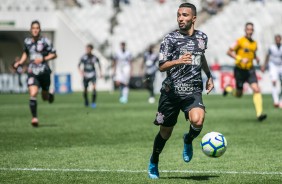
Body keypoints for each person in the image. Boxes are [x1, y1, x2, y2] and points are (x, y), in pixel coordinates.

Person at [148, 3, 214, 179]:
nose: (180, 18)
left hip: (192, 91)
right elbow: (161, 66)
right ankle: (154, 160)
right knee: (165, 133)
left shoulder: (202, 38)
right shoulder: (170, 39)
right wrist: (178, 61)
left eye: (184, 15)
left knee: (198, 120)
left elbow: (201, 57)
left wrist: (209, 76)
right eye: (178, 15)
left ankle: (188, 139)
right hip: (171, 93)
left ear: (193, 18)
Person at [14, 20, 57, 127]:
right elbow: (25, 53)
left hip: (44, 72)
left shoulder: (46, 41)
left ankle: (50, 95)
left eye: (37, 28)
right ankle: (34, 118)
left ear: (40, 30)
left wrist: (43, 58)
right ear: (30, 30)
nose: (35, 30)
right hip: (32, 72)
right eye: (33, 28)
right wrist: (20, 62)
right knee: (33, 93)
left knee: (44, 97)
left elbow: (54, 54)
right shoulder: (27, 41)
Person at [224, 22, 267, 121]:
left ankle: (259, 114)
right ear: (245, 30)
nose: (250, 31)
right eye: (248, 29)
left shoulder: (254, 43)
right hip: (239, 70)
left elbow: (253, 52)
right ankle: (228, 89)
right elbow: (228, 52)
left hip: (250, 70)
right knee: (239, 94)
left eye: (251, 29)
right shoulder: (239, 41)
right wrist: (240, 59)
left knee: (256, 89)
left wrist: (256, 58)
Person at [78, 44, 102, 108]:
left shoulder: (94, 57)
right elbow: (78, 65)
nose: (87, 50)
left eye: (88, 49)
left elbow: (99, 65)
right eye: (86, 49)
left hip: (93, 74)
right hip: (86, 75)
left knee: (94, 88)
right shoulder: (83, 57)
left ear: (91, 49)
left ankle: (93, 102)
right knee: (85, 89)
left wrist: (100, 73)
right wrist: (81, 72)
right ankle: (86, 100)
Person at [261, 34, 282, 108]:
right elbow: (267, 56)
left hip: (281, 65)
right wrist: (264, 65)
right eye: (276, 39)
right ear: (275, 40)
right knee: (274, 82)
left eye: (279, 39)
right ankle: (276, 101)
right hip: (273, 65)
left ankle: (281, 101)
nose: (277, 40)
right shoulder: (271, 48)